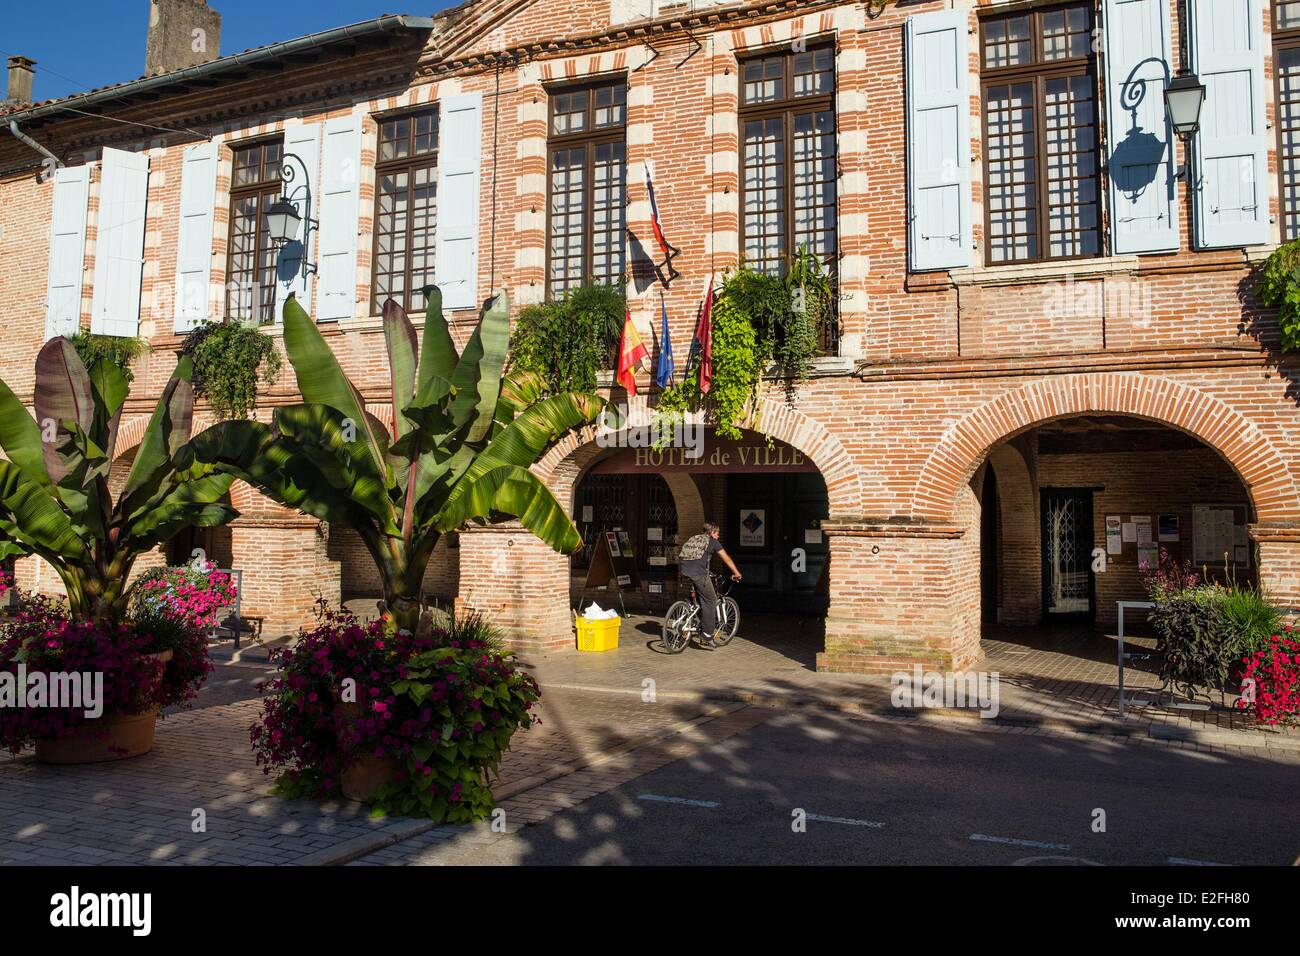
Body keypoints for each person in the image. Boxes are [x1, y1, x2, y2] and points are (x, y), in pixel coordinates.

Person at [677, 521, 742, 647]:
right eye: (717, 533)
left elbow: (692, 557)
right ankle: (707, 634)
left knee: (699, 593)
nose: (718, 536)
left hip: (685, 570)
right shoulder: (713, 542)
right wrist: (736, 573)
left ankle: (688, 606)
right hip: (698, 574)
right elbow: (726, 558)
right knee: (711, 600)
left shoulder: (694, 538)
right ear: (712, 532)